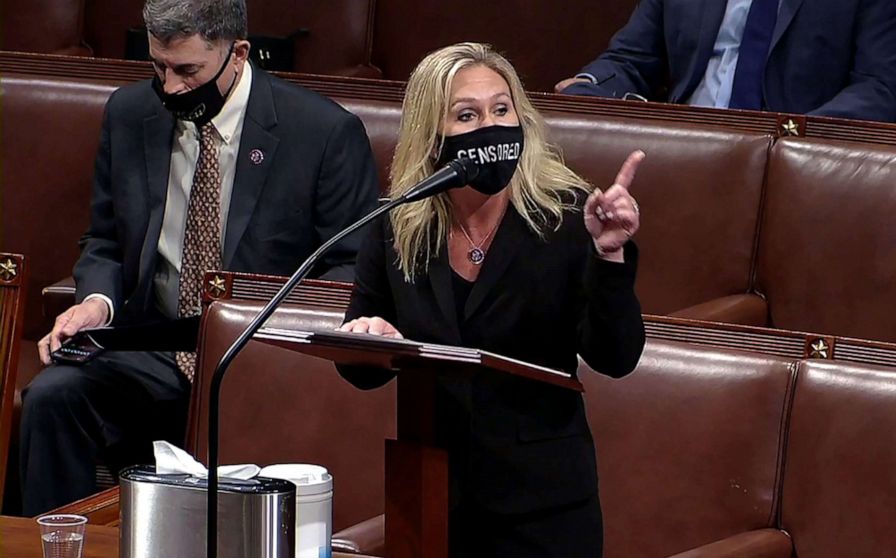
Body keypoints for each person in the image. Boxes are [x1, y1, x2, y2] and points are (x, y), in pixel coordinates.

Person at [21, 0, 379, 515]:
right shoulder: (129, 114)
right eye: (158, 67)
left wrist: (263, 333)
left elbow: (350, 269)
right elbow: (103, 240)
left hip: (259, 358)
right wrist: (96, 302)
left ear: (238, 54)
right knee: (53, 398)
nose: (170, 88)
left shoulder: (322, 134)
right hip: (154, 346)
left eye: (187, 70)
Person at [338, 42, 646, 557]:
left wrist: (609, 256)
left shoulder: (566, 218)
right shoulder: (398, 224)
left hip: (543, 506)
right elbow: (359, 366)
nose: (491, 126)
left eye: (502, 109)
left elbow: (616, 357)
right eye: (467, 114)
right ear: (432, 134)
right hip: (433, 493)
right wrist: (370, 338)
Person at [555, 0, 896, 122]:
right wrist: (587, 86)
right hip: (689, 147)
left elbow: (879, 86)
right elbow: (632, 59)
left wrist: (793, 136)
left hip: (793, 165)